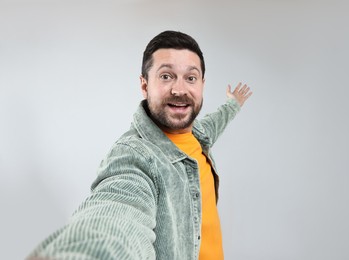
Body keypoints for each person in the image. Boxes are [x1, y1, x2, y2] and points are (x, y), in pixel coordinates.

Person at [27, 30, 252, 260]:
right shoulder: (136, 157)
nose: (180, 89)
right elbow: (118, 215)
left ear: (202, 85)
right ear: (144, 86)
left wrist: (233, 103)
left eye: (190, 78)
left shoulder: (199, 134)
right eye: (166, 76)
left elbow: (216, 122)